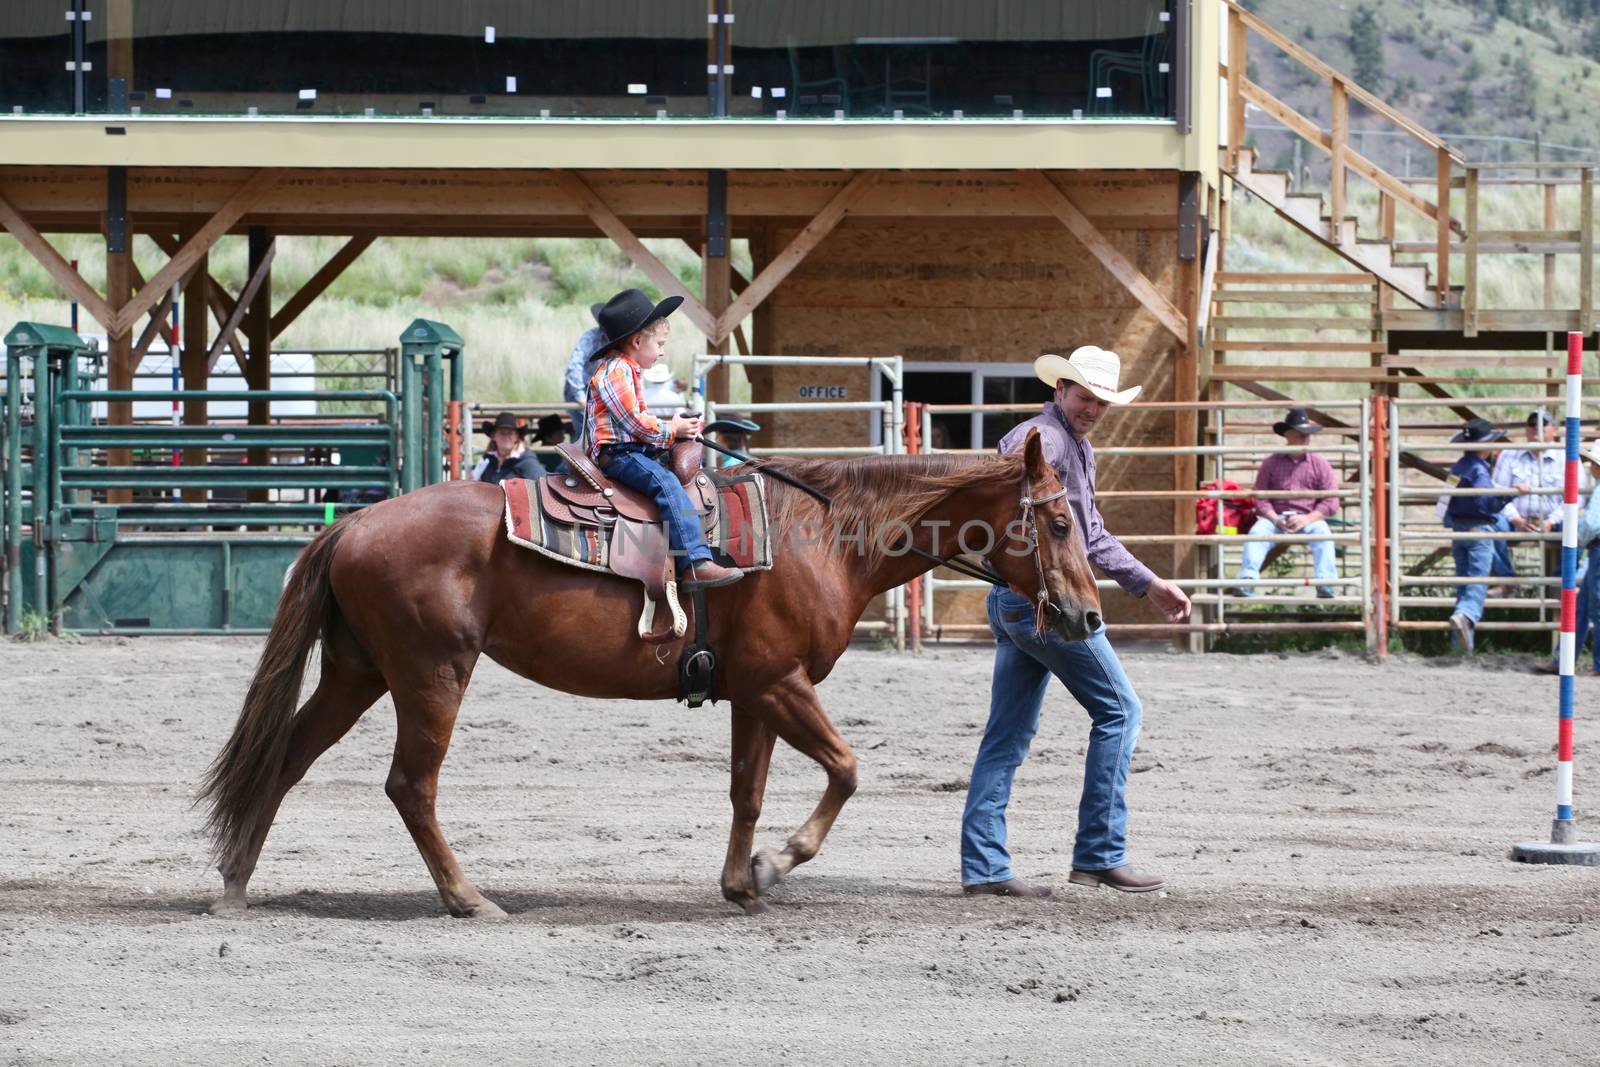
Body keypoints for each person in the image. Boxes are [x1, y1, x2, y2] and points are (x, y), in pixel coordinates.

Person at [961, 345, 1192, 899]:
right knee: (1119, 711)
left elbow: (1091, 535)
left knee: (1007, 735)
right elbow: (1008, 507)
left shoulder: (1070, 445)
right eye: (1085, 397)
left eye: (1101, 402)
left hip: (1020, 600)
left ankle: (986, 867)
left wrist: (1148, 583)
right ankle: (1099, 853)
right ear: (1060, 391)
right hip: (1046, 602)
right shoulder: (1042, 442)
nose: (1092, 409)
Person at [585, 288, 742, 588]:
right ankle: (695, 561)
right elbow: (635, 424)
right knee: (666, 484)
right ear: (637, 341)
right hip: (618, 455)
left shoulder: (625, 370)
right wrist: (674, 430)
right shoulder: (615, 373)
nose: (662, 351)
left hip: (629, 449)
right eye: (659, 343)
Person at [1230, 407, 1340, 599]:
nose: (1305, 438)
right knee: (1257, 532)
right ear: (1288, 434)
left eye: (1307, 434)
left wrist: (1306, 520)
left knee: (1322, 532)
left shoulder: (1319, 464)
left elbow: (1332, 500)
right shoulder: (1271, 463)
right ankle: (1247, 580)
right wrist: (1275, 519)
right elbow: (1261, 498)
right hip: (1276, 519)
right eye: (1301, 433)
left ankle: (1326, 583)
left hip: (1308, 518)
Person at [1445, 418, 1531, 655]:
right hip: (1479, 531)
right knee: (1477, 583)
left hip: (1459, 531)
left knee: (1464, 586)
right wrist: (1511, 493)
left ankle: (1461, 647)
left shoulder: (1457, 468)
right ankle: (1466, 616)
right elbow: (1488, 504)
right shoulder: (1479, 471)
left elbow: (1443, 501)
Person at [1492, 409, 1588, 581]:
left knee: (1578, 526)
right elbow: (1498, 492)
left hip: (1555, 521)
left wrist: (1551, 521)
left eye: (1543, 424)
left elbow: (1577, 497)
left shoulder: (1567, 456)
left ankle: (1561, 581)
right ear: (1526, 429)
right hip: (1515, 521)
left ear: (1554, 430)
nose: (1537, 428)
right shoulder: (1508, 454)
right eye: (1532, 424)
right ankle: (1506, 580)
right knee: (1491, 524)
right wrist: (1516, 519)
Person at [562, 303, 607, 442]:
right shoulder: (591, 337)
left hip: (600, 393)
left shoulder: (622, 340)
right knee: (585, 434)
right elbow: (575, 365)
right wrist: (580, 396)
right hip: (582, 390)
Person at [471, 412, 544, 485]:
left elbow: (542, 484)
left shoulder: (527, 461)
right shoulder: (486, 460)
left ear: (516, 437)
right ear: (494, 436)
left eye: (510, 433)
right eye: (502, 433)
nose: (506, 436)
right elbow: (474, 482)